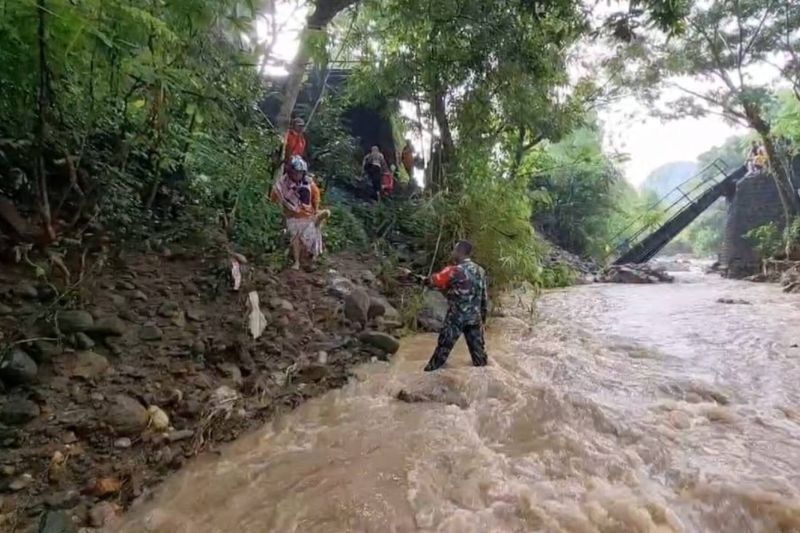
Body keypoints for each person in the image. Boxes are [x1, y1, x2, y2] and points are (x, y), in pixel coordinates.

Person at [423, 240, 489, 372]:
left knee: (440, 355)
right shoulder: (480, 270)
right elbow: (484, 297)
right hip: (475, 319)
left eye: (454, 250)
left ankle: (427, 377)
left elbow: (432, 281)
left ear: (460, 252)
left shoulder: (453, 271)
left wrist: (413, 277)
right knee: (480, 360)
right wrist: (483, 319)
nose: (452, 252)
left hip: (456, 319)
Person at [270, 155, 326, 270]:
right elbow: (274, 198)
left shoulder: (309, 184)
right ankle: (296, 262)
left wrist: (315, 209)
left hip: (307, 216)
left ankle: (312, 260)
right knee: (295, 237)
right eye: (295, 172)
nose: (297, 175)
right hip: (291, 217)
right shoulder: (282, 185)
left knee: (312, 237)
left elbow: (316, 197)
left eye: (300, 173)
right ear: (290, 172)